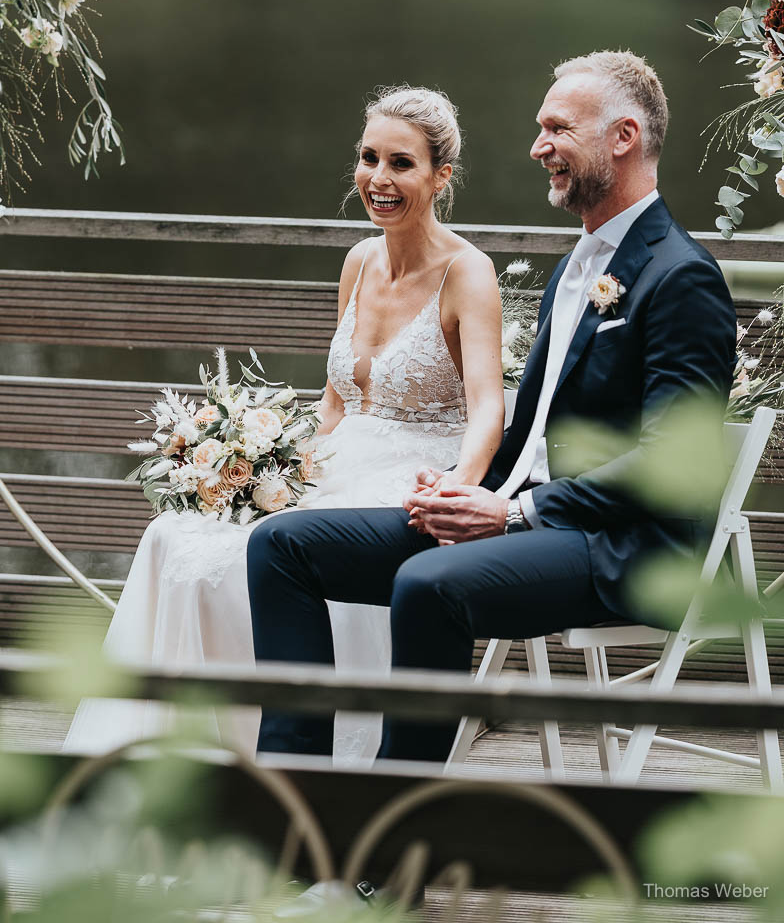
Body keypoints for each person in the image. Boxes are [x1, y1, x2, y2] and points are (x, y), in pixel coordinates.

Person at [249, 50, 737, 766]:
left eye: (557, 129)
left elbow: (676, 464)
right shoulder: (579, 267)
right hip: (525, 512)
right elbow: (535, 427)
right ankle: (298, 795)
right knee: (282, 546)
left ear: (623, 138)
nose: (539, 147)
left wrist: (511, 514)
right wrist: (457, 483)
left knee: (425, 582)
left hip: (627, 546)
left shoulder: (680, 276)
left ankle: (384, 841)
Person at [65, 87, 503, 764]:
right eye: (368, 159)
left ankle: (292, 755)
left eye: (401, 164)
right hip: (335, 460)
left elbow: (488, 409)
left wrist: (456, 491)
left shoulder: (468, 273)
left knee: (246, 559)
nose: (378, 180)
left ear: (441, 176)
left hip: (414, 475)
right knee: (176, 538)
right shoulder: (358, 261)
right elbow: (334, 399)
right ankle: (174, 756)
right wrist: (276, 464)